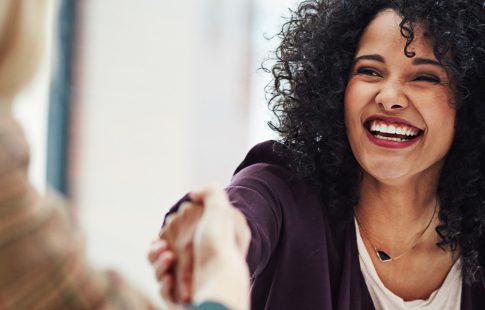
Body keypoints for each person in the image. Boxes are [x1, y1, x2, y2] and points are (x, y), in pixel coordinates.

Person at [152, 0, 485, 309]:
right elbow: (238, 221)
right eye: (369, 71)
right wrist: (211, 237)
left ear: (470, 101)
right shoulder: (283, 187)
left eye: (425, 77)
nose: (389, 97)